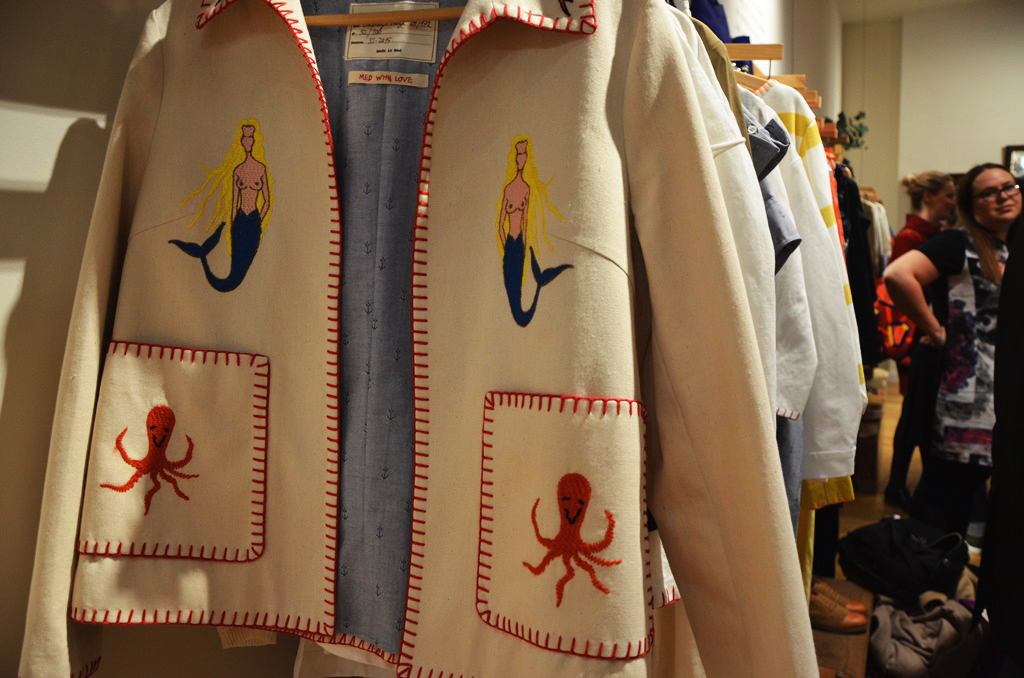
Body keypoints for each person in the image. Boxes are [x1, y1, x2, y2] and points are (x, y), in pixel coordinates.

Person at [883, 163, 1021, 536]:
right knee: (944, 498)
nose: (1003, 196)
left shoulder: (1008, 248)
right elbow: (898, 275)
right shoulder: (960, 243)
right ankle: (927, 568)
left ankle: (956, 566)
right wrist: (934, 328)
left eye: (1009, 187)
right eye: (989, 192)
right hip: (962, 399)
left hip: (997, 396)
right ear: (970, 205)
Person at [884, 171, 956, 509]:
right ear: (929, 197)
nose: (952, 203)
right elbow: (899, 292)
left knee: (917, 413)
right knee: (915, 413)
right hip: (919, 339)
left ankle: (909, 485)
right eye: (948, 195)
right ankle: (900, 486)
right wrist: (931, 328)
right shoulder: (911, 237)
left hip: (926, 337)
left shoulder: (934, 235)